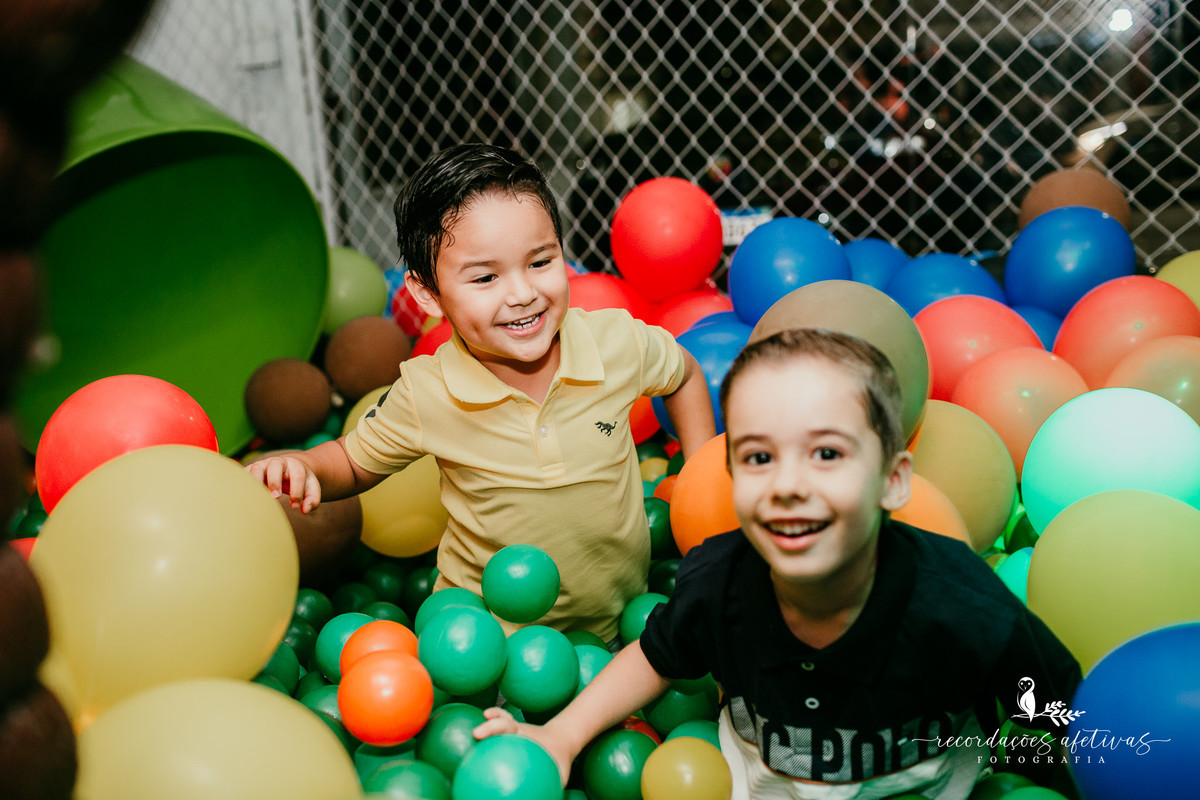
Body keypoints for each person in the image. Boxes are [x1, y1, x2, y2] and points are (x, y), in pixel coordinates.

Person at [473, 328, 1082, 798]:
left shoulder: (962, 605)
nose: (788, 484)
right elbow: (656, 655)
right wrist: (561, 737)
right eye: (760, 457)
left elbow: (1061, 717)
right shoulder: (719, 582)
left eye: (826, 452)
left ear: (893, 482)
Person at [248, 143, 716, 641]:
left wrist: (703, 480)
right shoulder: (428, 391)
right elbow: (352, 461)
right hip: (486, 643)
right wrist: (307, 468)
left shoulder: (614, 342)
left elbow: (684, 374)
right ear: (427, 293)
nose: (522, 294)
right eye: (486, 277)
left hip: (623, 626)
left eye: (540, 262)